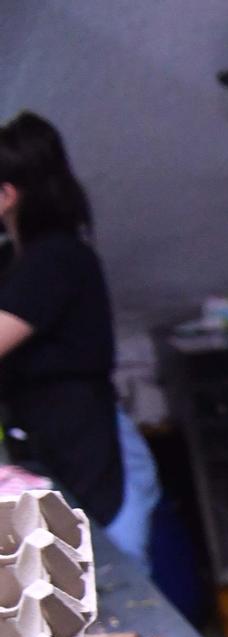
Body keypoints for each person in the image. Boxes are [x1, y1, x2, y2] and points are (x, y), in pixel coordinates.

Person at [0, 112, 121, 527]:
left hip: (79, 448)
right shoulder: (14, 258)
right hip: (42, 440)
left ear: (8, 194)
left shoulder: (54, 260)